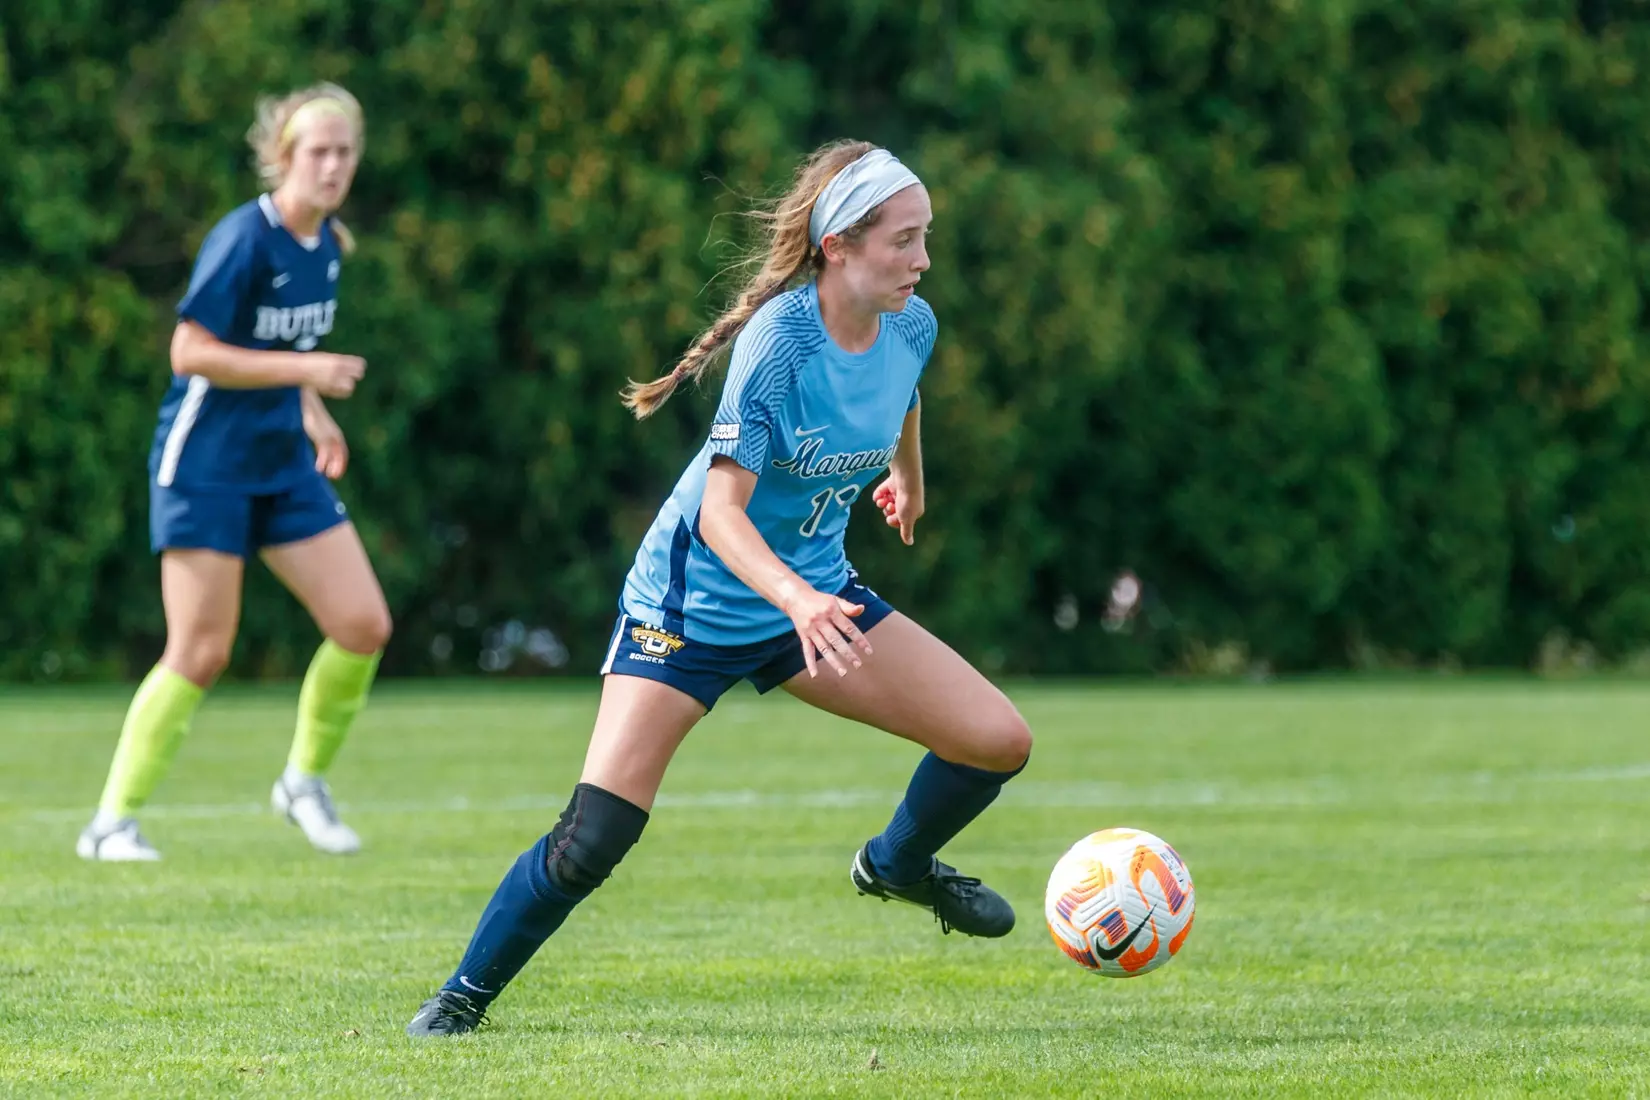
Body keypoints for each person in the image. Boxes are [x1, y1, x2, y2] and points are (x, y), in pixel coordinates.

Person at [405, 140, 1032, 1036]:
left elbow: (906, 394)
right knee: (595, 839)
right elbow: (721, 517)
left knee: (996, 741)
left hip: (807, 604)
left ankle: (896, 865)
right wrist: (799, 600)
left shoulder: (911, 323)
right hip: (691, 610)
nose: (923, 260)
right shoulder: (782, 341)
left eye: (926, 237)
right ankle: (460, 1001)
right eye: (904, 240)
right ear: (839, 247)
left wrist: (909, 476)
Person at [76, 83, 392, 862]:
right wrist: (309, 371)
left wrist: (314, 412)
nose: (333, 165)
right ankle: (110, 822)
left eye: (345, 151)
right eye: (318, 151)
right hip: (205, 466)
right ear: (283, 157)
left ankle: (302, 784)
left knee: (363, 625)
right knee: (201, 651)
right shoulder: (244, 239)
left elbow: (281, 360)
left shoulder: (327, 247)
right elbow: (190, 351)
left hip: (281, 464)